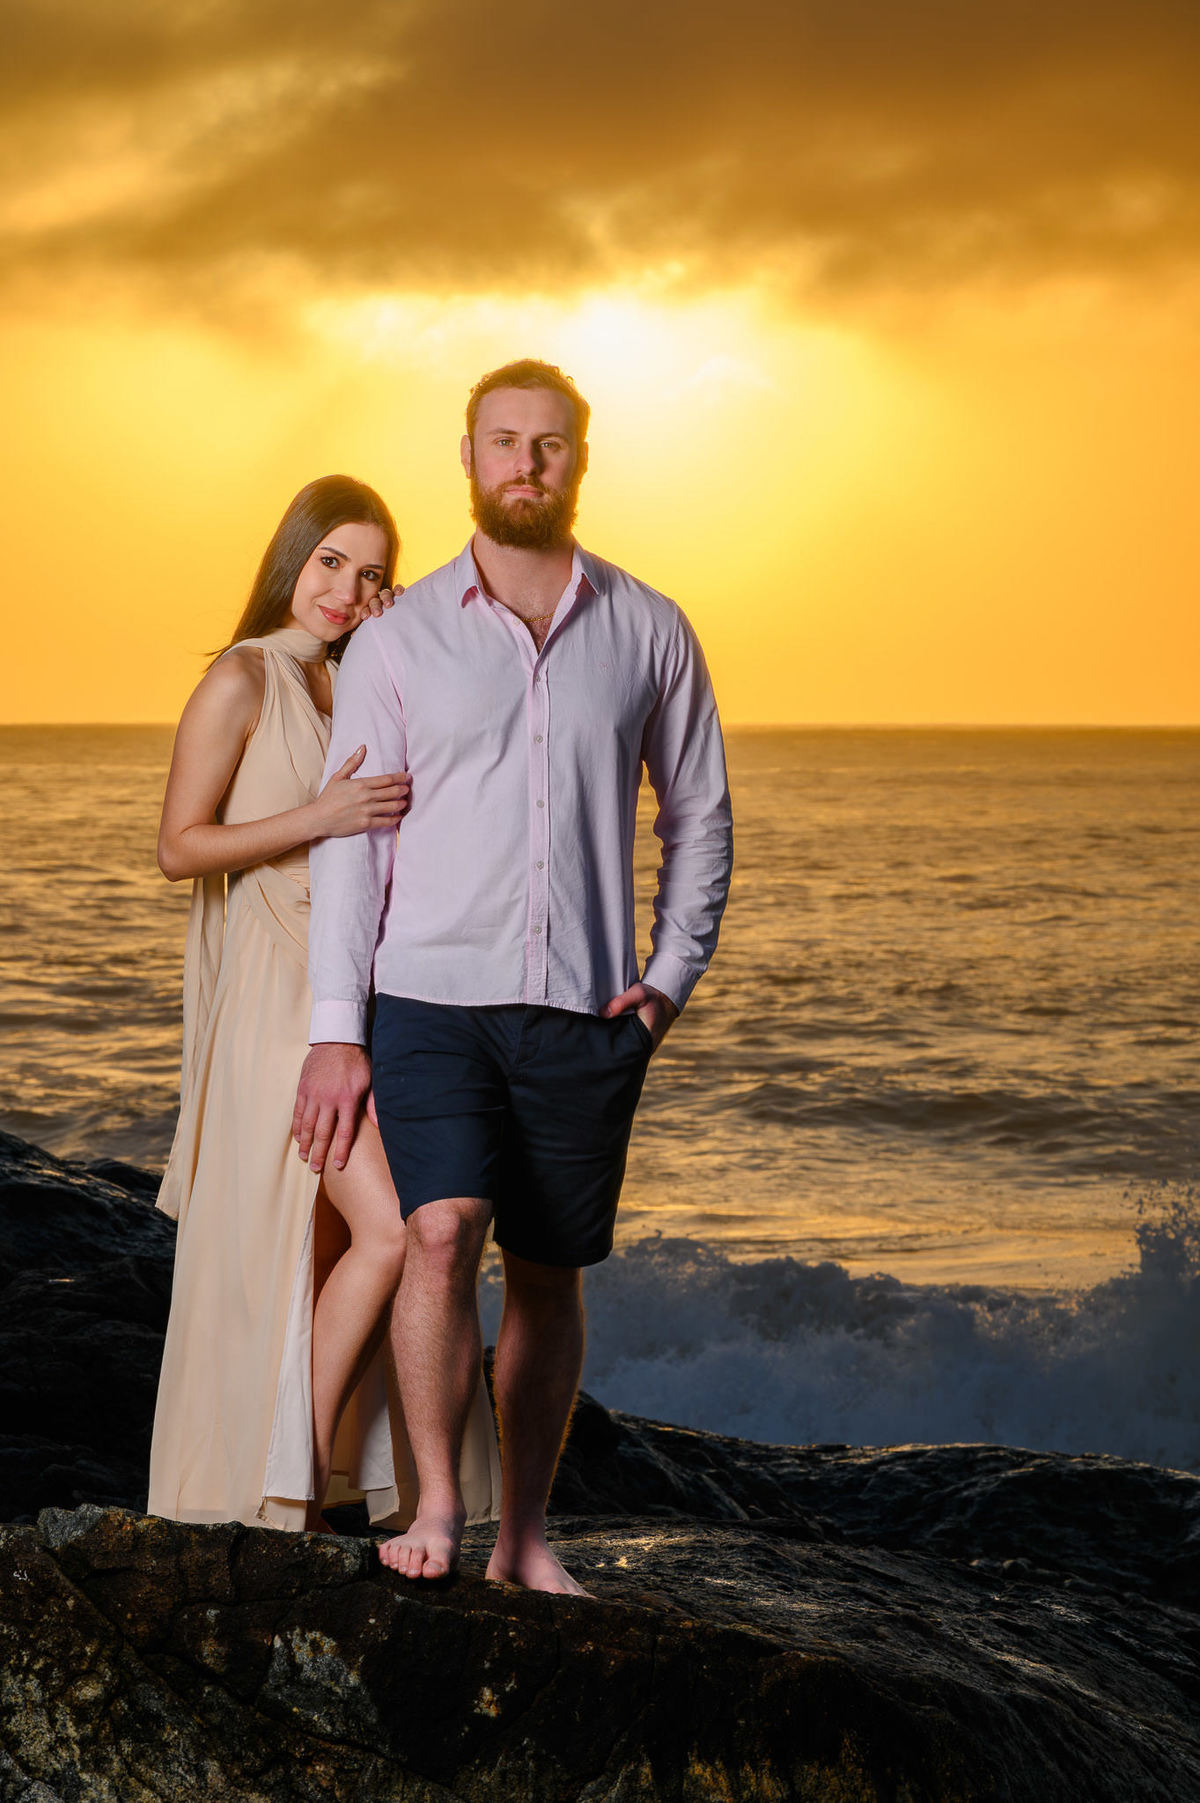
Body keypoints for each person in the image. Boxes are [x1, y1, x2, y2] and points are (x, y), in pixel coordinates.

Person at [293, 363, 733, 1590]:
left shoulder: (651, 628)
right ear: (470, 457)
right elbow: (353, 839)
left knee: (548, 1272)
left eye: (548, 444)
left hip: (585, 1009)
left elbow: (698, 817)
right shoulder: (401, 640)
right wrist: (339, 1028)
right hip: (426, 994)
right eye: (503, 442)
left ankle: (525, 1540)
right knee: (439, 1234)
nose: (524, 465)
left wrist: (668, 980)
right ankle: (438, 1511)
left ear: (578, 460)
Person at [148, 474, 500, 1532]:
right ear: (292, 558)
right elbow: (179, 846)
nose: (347, 589)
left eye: (373, 574)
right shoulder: (242, 682)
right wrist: (322, 815)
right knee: (388, 1232)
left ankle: (310, 1481)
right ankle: (287, 1474)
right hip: (269, 1008)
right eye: (332, 562)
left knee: (334, 1248)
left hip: (346, 1006)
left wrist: (408, 650)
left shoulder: (346, 681)